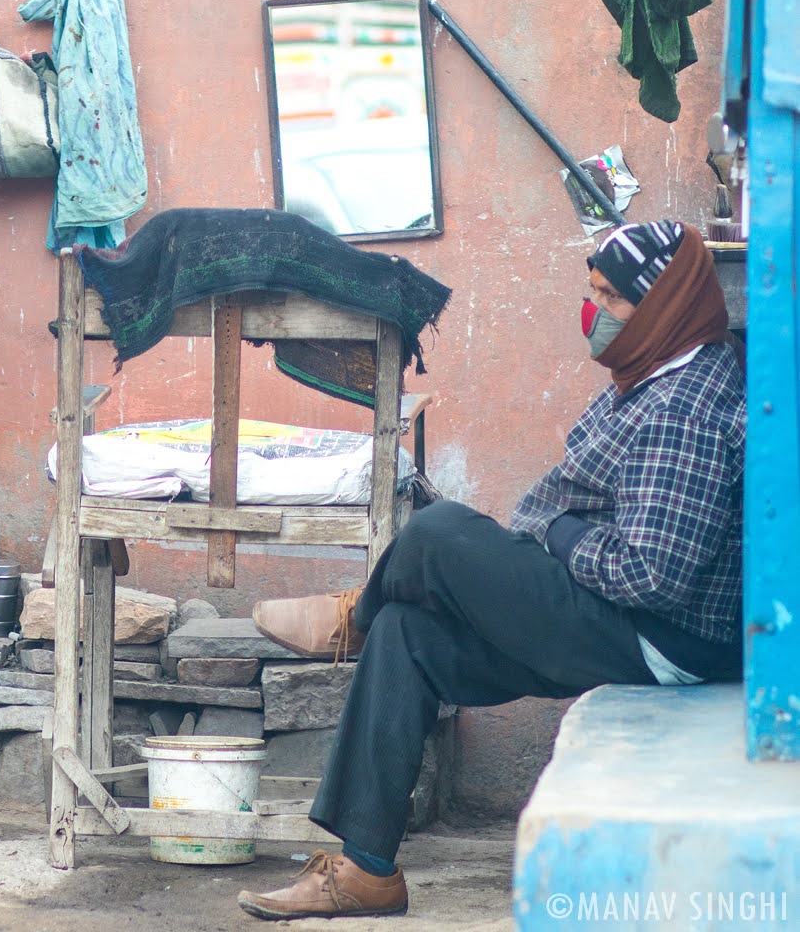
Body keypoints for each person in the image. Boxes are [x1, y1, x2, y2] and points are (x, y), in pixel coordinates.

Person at [239, 220, 743, 920]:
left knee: (439, 532)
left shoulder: (684, 406)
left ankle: (357, 615)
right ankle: (365, 870)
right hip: (616, 616)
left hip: (657, 638)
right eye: (591, 291)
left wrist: (558, 532)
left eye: (611, 297)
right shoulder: (653, 372)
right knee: (408, 636)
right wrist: (551, 536)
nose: (593, 313)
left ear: (660, 305)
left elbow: (651, 578)